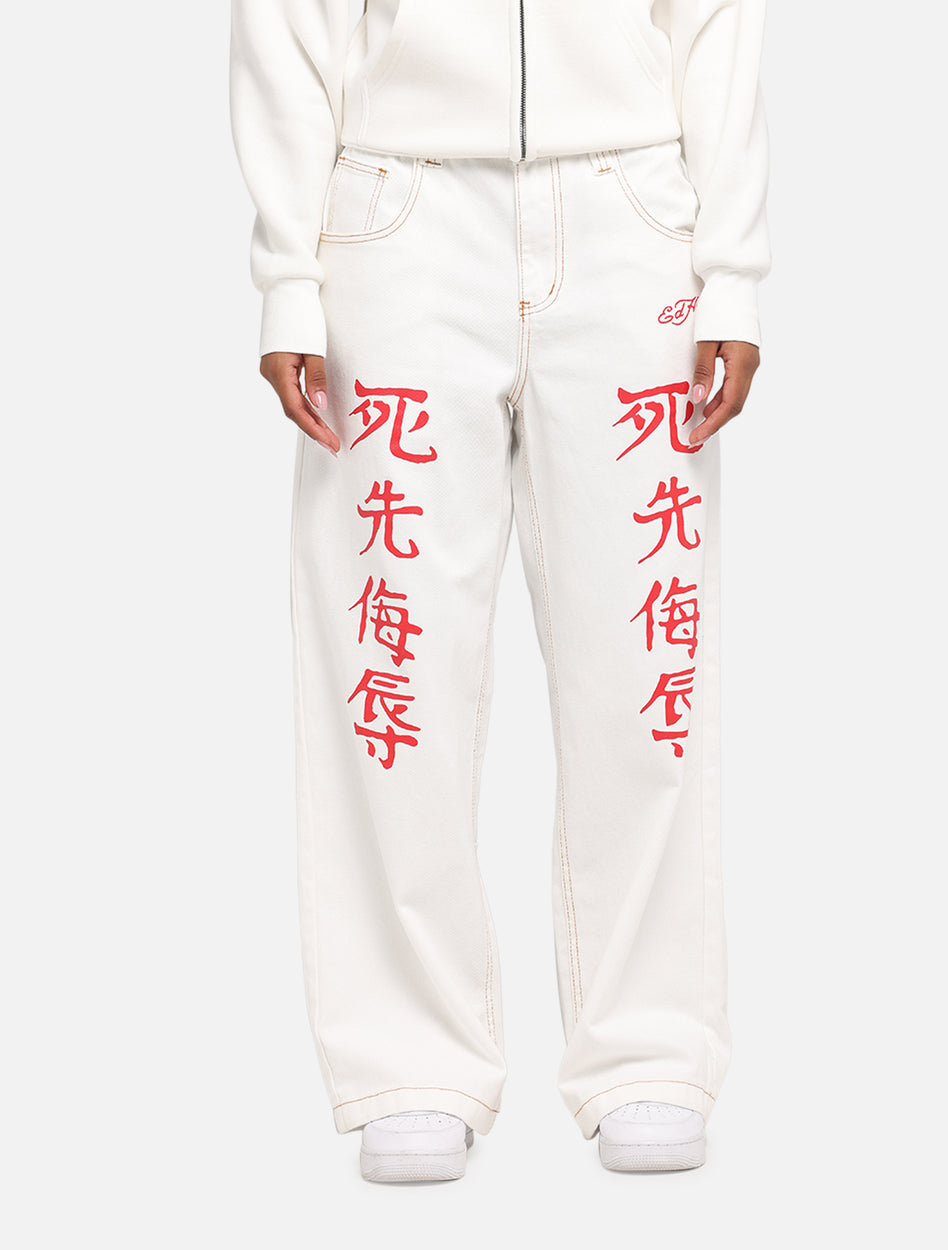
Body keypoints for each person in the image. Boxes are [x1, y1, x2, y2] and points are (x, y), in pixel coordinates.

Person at [229, 0, 770, 1182]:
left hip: (633, 208)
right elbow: (283, 17)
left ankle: (650, 1049)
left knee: (645, 668)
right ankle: (408, 1059)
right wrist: (289, 275)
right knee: (395, 671)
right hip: (397, 213)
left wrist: (730, 268)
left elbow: (716, 15)